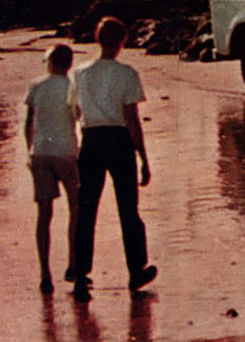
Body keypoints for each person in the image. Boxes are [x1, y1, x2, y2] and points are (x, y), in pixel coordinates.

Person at [69, 16, 157, 302]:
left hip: (92, 138)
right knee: (128, 209)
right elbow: (132, 119)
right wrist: (143, 156)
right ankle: (136, 269)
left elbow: (76, 112)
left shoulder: (80, 74)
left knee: (87, 209)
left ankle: (81, 273)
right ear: (122, 41)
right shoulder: (127, 73)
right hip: (119, 139)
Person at [24, 44, 81, 294]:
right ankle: (73, 264)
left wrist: (30, 150)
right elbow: (78, 117)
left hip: (41, 154)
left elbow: (29, 123)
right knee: (76, 210)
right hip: (66, 152)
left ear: (49, 62)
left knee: (44, 215)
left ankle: (45, 273)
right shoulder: (72, 88)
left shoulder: (36, 86)